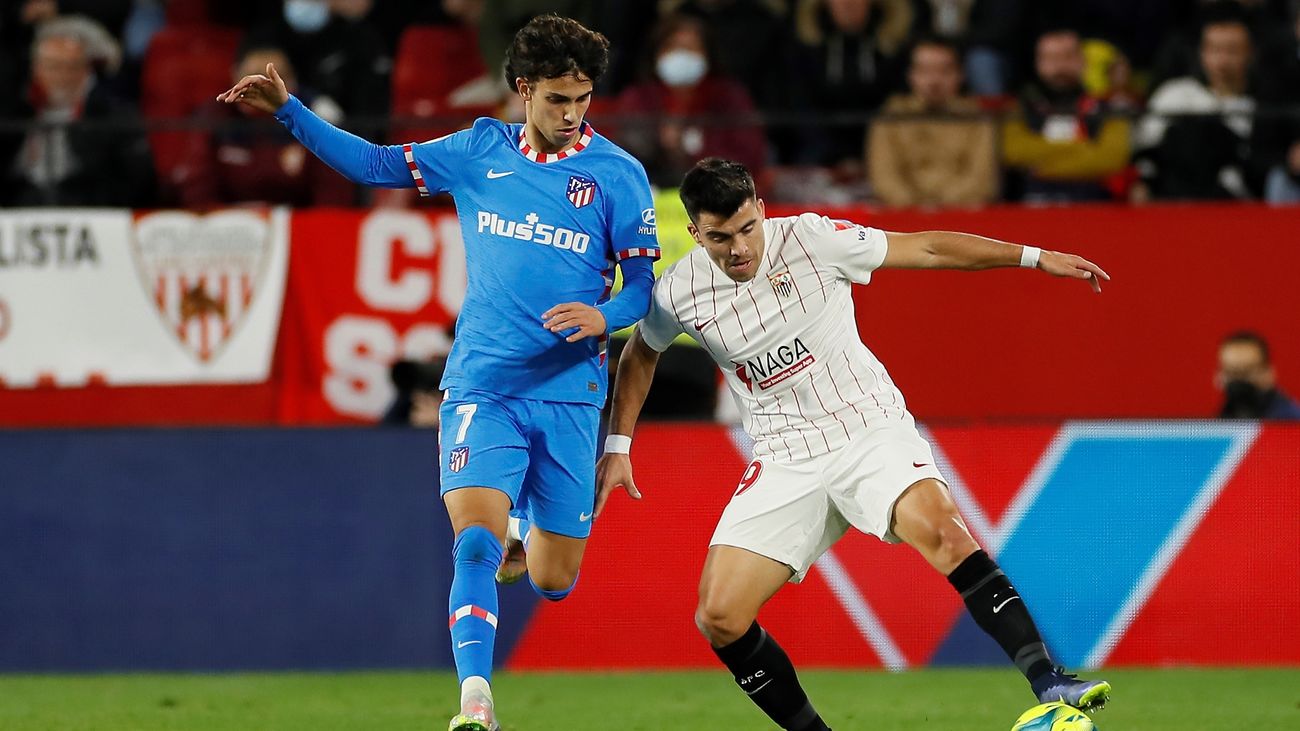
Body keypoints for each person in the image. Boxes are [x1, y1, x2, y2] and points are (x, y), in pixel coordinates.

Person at [218, 14, 660, 731]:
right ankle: (476, 702)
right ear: (523, 89)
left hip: (572, 394)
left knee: (553, 579)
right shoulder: (478, 149)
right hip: (482, 381)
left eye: (581, 99)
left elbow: (640, 291)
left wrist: (602, 316)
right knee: (476, 542)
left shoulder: (618, 175)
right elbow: (374, 164)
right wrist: (291, 114)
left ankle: (526, 527)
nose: (571, 114)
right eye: (557, 99)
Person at [597, 158, 1112, 731]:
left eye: (747, 228)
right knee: (719, 616)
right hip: (783, 456)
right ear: (695, 233)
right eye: (720, 237)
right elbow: (641, 353)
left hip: (866, 428)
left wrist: (1034, 256)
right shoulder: (679, 291)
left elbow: (928, 249)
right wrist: (618, 443)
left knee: (943, 531)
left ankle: (1049, 679)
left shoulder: (814, 239)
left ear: (762, 211)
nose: (739, 248)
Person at [177, 46, 355, 207]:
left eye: (273, 77)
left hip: (300, 226)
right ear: (235, 78)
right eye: (251, 76)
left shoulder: (320, 114)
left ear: (292, 81)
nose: (261, 86)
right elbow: (198, 189)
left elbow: (333, 194)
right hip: (230, 227)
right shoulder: (215, 116)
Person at [615, 13, 767, 188]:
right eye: (673, 47)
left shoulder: (730, 97)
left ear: (708, 55)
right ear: (657, 53)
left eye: (690, 48)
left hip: (717, 195)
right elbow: (625, 158)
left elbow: (750, 157)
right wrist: (661, 144)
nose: (681, 56)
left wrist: (693, 150)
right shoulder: (637, 98)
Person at [1133, 6, 1262, 201]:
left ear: (1250, 54)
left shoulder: (1263, 107)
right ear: (1202, 53)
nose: (1223, 60)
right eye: (1214, 49)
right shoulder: (1175, 94)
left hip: (1235, 210)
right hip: (1171, 205)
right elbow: (1144, 154)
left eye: (1232, 51)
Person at [1002, 28, 1130, 203]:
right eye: (1052, 58)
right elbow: (1014, 152)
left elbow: (1112, 159)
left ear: (1082, 62)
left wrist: (1042, 165)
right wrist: (1084, 149)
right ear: (1038, 63)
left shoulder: (1109, 107)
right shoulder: (1018, 106)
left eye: (1068, 56)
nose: (1060, 66)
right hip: (1031, 204)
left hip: (1094, 205)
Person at [867, 36, 997, 207]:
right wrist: (913, 207)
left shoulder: (977, 118)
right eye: (925, 71)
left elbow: (982, 179)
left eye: (944, 71)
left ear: (960, 75)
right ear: (911, 75)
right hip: (902, 217)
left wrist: (941, 208)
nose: (934, 81)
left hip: (961, 216)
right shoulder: (891, 117)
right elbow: (883, 176)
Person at [1216, 331, 1300, 419]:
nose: (1239, 381)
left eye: (1247, 372)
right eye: (1232, 372)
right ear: (1218, 376)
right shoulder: (1218, 423)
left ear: (1269, 373)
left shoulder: (1292, 423)